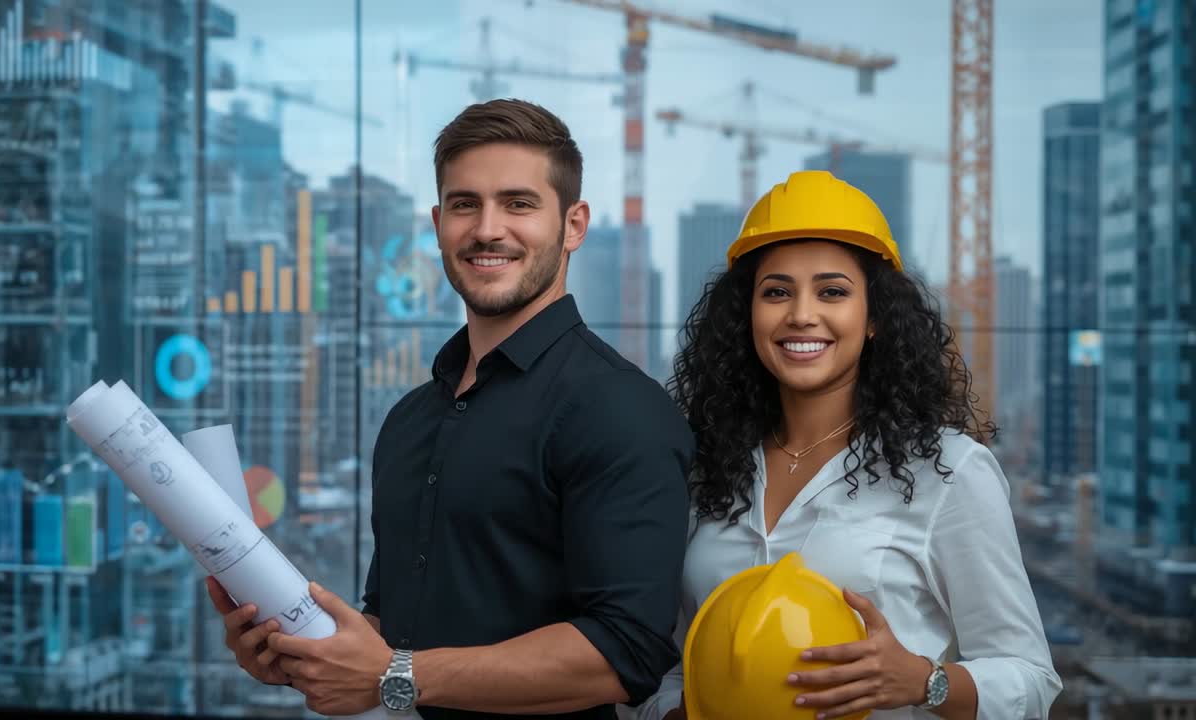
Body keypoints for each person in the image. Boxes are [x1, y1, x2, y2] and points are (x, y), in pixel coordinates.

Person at [205, 98, 695, 720]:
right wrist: (300, 652)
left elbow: (625, 650)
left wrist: (393, 675)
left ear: (574, 225)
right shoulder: (409, 419)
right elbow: (392, 632)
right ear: (438, 223)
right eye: (465, 204)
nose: (487, 229)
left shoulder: (620, 409)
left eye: (518, 204)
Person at [637, 170, 1062, 720]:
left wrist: (924, 681)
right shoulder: (704, 467)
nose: (801, 314)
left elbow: (1031, 681)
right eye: (776, 292)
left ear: (875, 318)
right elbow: (669, 668)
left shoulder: (949, 472)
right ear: (747, 316)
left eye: (832, 292)